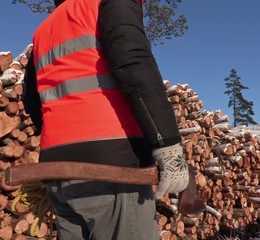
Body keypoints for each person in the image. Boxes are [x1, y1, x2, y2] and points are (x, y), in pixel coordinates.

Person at [22, 0, 189, 239]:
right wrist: (167, 144)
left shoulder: (45, 29)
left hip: (58, 171)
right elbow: (133, 64)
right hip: (112, 169)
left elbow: (31, 98)